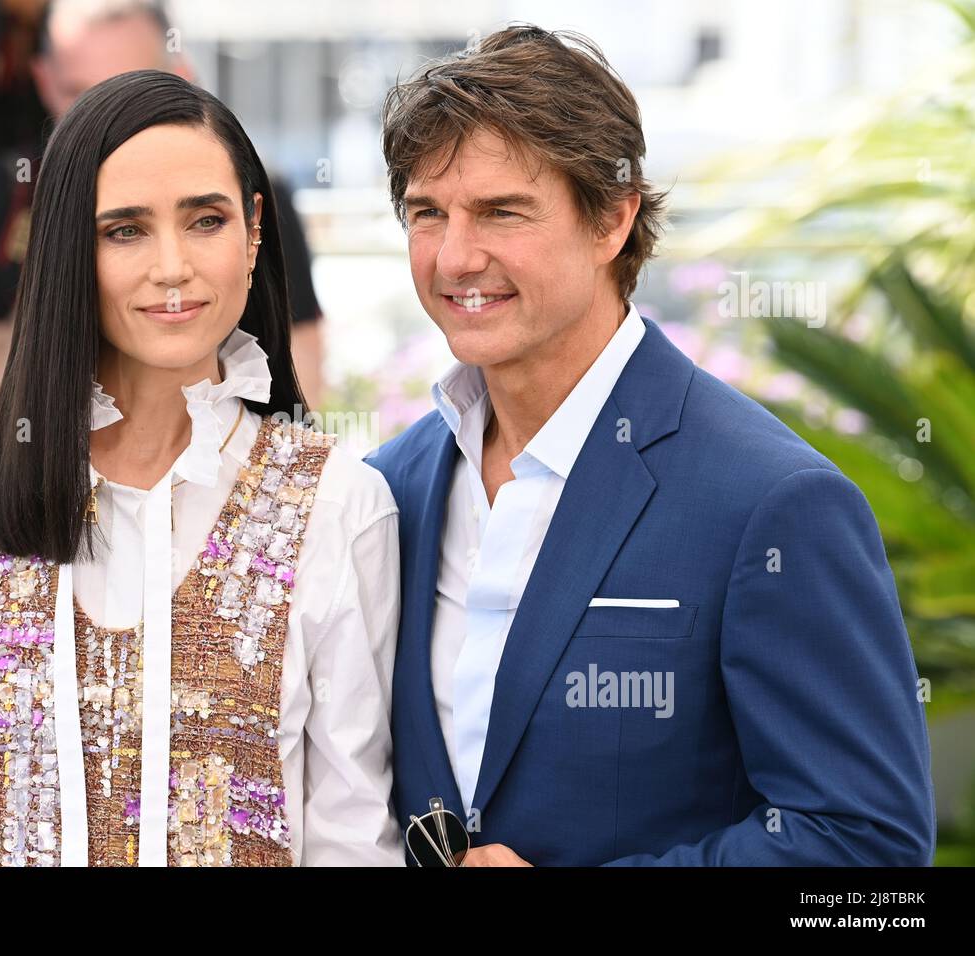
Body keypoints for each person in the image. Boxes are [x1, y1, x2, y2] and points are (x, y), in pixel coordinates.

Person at [366, 25, 935, 866]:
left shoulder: (773, 502)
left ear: (612, 219)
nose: (455, 256)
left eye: (501, 212)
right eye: (427, 213)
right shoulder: (390, 487)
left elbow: (868, 852)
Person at [0, 69, 403, 866]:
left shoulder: (340, 500)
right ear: (66, 245)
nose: (172, 267)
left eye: (205, 220)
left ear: (255, 229)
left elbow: (351, 838)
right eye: (125, 229)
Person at [0, 0, 324, 410]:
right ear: (43, 81)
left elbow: (302, 375)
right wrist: (58, 274)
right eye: (124, 231)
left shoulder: (250, 183)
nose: (110, 124)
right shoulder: (8, 192)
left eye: (205, 221)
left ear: (181, 78)